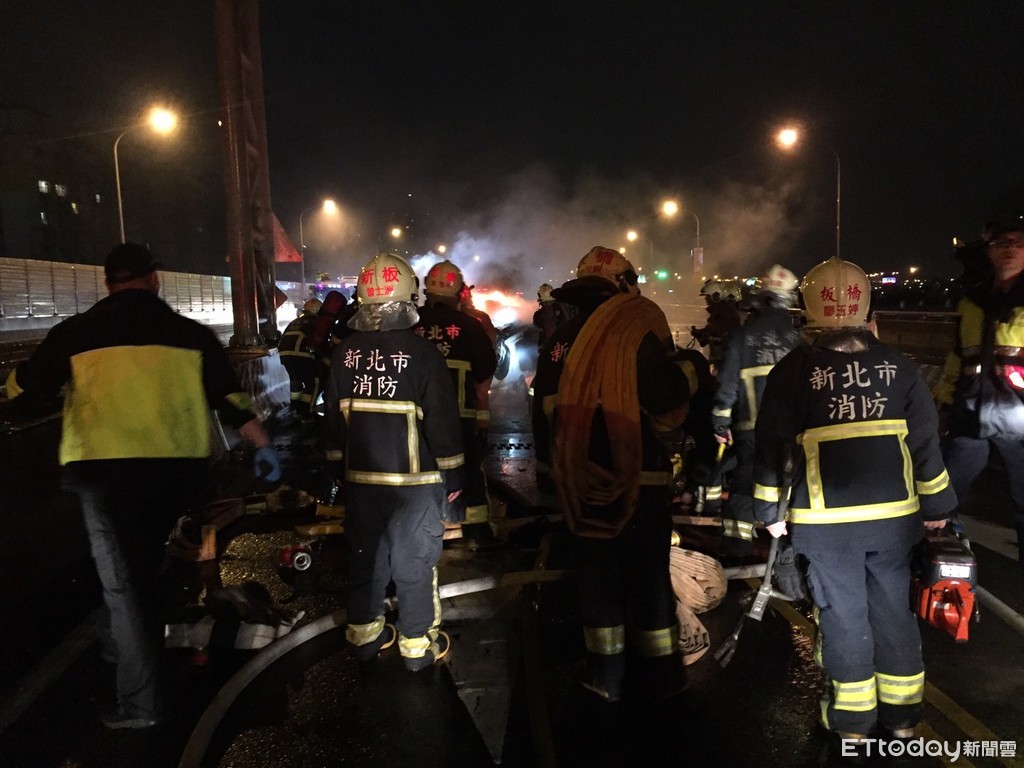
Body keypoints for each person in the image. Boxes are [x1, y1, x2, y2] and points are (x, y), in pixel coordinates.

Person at [4, 242, 281, 729]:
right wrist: (263, 445)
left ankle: (141, 704)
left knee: (123, 585)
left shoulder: (76, 332)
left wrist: (14, 385)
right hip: (178, 474)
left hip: (106, 477)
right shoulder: (190, 334)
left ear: (108, 283)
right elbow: (230, 398)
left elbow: (27, 394)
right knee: (145, 569)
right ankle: (124, 645)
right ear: (154, 280)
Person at [753, 255, 955, 745]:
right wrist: (938, 510)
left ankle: (852, 726)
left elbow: (773, 450)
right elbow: (925, 446)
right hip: (894, 523)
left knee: (843, 618)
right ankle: (903, 720)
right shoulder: (901, 368)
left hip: (825, 528)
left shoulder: (793, 371)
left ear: (808, 311)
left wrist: (769, 513)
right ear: (868, 311)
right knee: (893, 613)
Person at [534, 245, 690, 702]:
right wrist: (691, 369)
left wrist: (551, 481)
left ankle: (605, 675)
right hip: (641, 481)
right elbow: (667, 401)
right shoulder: (634, 334)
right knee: (649, 578)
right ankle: (661, 674)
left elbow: (543, 418)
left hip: (580, 483)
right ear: (622, 285)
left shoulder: (558, 343)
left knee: (597, 578)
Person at [324, 252, 465, 671]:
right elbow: (442, 425)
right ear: (409, 298)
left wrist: (335, 474)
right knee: (414, 565)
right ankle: (417, 648)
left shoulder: (344, 354)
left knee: (366, 559)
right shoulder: (422, 355)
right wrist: (455, 479)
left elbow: (332, 423)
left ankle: (365, 638)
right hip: (415, 487)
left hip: (361, 483)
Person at [936, 219, 1024, 570]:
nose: (1010, 249)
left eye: (1018, 242)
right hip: (971, 413)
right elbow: (958, 356)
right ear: (989, 250)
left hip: (1019, 419)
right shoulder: (971, 302)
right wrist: (945, 402)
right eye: (1002, 242)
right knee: (943, 494)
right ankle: (935, 562)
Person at [711, 264, 801, 558]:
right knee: (786, 482)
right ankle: (785, 547)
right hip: (790, 432)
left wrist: (720, 422)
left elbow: (727, 384)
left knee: (745, 484)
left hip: (750, 429)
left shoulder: (742, 337)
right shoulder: (798, 340)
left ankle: (737, 549)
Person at [415, 259, 498, 541]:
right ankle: (476, 530)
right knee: (468, 471)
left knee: (421, 470)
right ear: (459, 291)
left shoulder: (411, 324)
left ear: (426, 289)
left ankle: (424, 527)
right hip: (459, 419)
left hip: (416, 418)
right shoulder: (470, 326)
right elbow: (485, 372)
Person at [278, 298, 323, 416]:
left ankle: (294, 409)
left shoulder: (294, 322)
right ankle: (306, 413)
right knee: (313, 382)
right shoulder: (316, 322)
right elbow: (319, 341)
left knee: (295, 381)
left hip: (283, 355)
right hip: (302, 355)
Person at [690, 278, 744, 371]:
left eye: (708, 296)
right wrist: (700, 334)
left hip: (725, 359)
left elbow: (721, 332)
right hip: (722, 358)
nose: (706, 299)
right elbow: (714, 331)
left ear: (716, 295)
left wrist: (705, 335)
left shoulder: (725, 312)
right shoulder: (718, 312)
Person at [533, 282, 574, 349]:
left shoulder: (541, 314)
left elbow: (537, 324)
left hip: (553, 346)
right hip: (568, 343)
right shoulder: (565, 306)